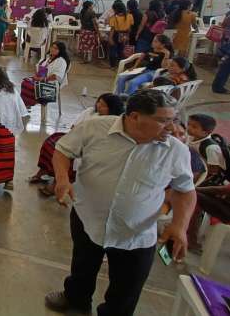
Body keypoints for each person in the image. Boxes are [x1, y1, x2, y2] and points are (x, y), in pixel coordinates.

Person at [45, 90, 196, 316]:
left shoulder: (176, 151)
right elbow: (63, 150)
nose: (173, 128)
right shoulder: (94, 128)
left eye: (173, 120)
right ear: (134, 116)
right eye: (163, 121)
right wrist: (63, 179)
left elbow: (185, 190)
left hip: (136, 233)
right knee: (82, 266)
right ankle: (76, 301)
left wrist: (180, 225)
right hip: (88, 217)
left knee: (127, 288)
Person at [30, 93, 125, 196]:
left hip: (89, 147)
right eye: (98, 102)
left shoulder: (112, 122)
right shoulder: (90, 112)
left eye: (103, 105)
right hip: (75, 138)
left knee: (68, 157)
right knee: (50, 143)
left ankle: (57, 183)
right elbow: (73, 127)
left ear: (111, 109)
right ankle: (43, 171)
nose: (98, 106)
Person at [20, 41, 70, 108]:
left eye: (56, 48)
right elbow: (40, 68)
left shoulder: (61, 61)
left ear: (60, 51)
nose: (53, 49)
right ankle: (26, 105)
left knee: (32, 88)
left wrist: (42, 79)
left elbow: (56, 76)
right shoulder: (48, 58)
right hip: (41, 81)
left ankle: (28, 104)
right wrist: (36, 76)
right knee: (25, 82)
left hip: (51, 87)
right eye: (52, 47)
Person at [187, 114, 227, 185]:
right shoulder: (191, 137)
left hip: (206, 176)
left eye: (194, 127)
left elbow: (213, 171)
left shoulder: (210, 148)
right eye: (188, 124)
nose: (188, 128)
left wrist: (198, 183)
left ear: (205, 132)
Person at [107, 0, 134, 67]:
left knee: (113, 50)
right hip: (125, 35)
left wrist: (110, 38)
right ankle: (120, 64)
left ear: (116, 9)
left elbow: (112, 30)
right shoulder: (130, 16)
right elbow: (130, 28)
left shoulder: (113, 18)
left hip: (116, 35)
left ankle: (112, 65)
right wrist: (127, 36)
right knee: (121, 50)